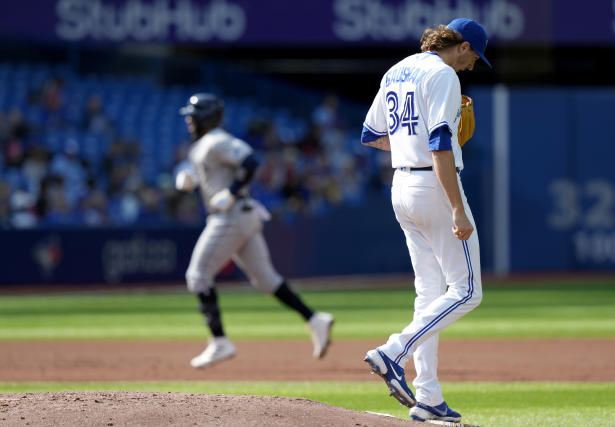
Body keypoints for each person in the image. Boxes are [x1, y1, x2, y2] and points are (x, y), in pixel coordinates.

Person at [360, 18, 489, 423]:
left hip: (401, 186)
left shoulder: (397, 69)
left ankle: (429, 396)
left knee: (429, 292)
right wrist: (456, 207)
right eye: (474, 56)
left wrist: (410, 149)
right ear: (463, 46)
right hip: (433, 186)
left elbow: (371, 134)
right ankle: (392, 351)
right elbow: (439, 144)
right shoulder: (444, 74)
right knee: (468, 291)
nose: (472, 66)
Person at [176, 93, 334, 368]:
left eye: (193, 114)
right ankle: (314, 319)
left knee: (198, 275)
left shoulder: (216, 139)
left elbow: (250, 161)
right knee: (266, 280)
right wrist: (194, 180)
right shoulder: (203, 145)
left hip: (230, 217)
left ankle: (220, 342)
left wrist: (231, 191)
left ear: (206, 117)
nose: (189, 119)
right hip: (243, 215)